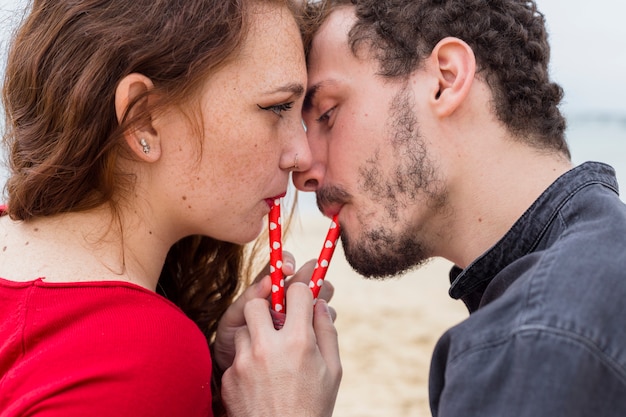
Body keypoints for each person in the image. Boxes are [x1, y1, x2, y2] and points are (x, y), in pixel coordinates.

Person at [0, 0, 341, 416]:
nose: (302, 154)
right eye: (276, 108)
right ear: (144, 119)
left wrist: (211, 390)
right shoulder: (146, 353)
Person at [294, 0, 626, 415]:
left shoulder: (533, 342)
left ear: (446, 79)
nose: (302, 168)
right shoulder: (604, 253)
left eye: (327, 113)